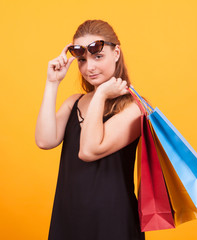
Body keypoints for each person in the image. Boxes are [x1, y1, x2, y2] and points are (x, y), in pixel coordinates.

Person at [35, 19, 145, 240]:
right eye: (82, 60)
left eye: (98, 56)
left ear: (116, 53)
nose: (89, 67)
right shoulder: (74, 102)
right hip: (69, 216)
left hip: (112, 221)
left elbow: (88, 150)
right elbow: (45, 141)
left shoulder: (134, 109)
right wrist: (52, 82)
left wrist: (102, 94)